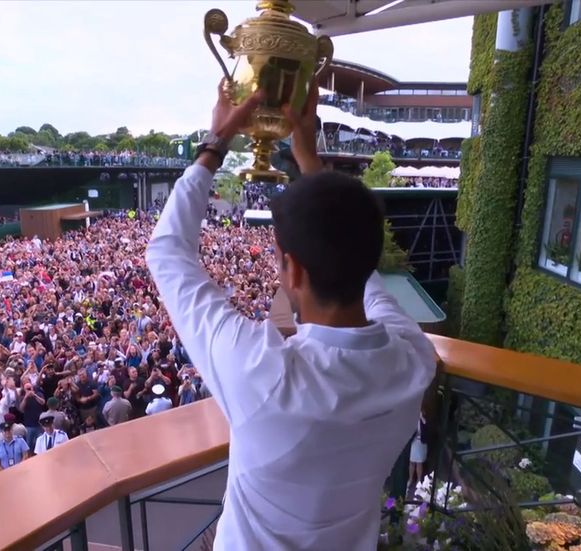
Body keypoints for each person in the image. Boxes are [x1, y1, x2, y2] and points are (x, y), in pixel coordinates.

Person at [145, 81, 436, 549]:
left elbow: (165, 253)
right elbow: (364, 273)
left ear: (293, 269)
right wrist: (310, 163)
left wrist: (215, 141)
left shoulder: (265, 373)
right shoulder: (413, 357)